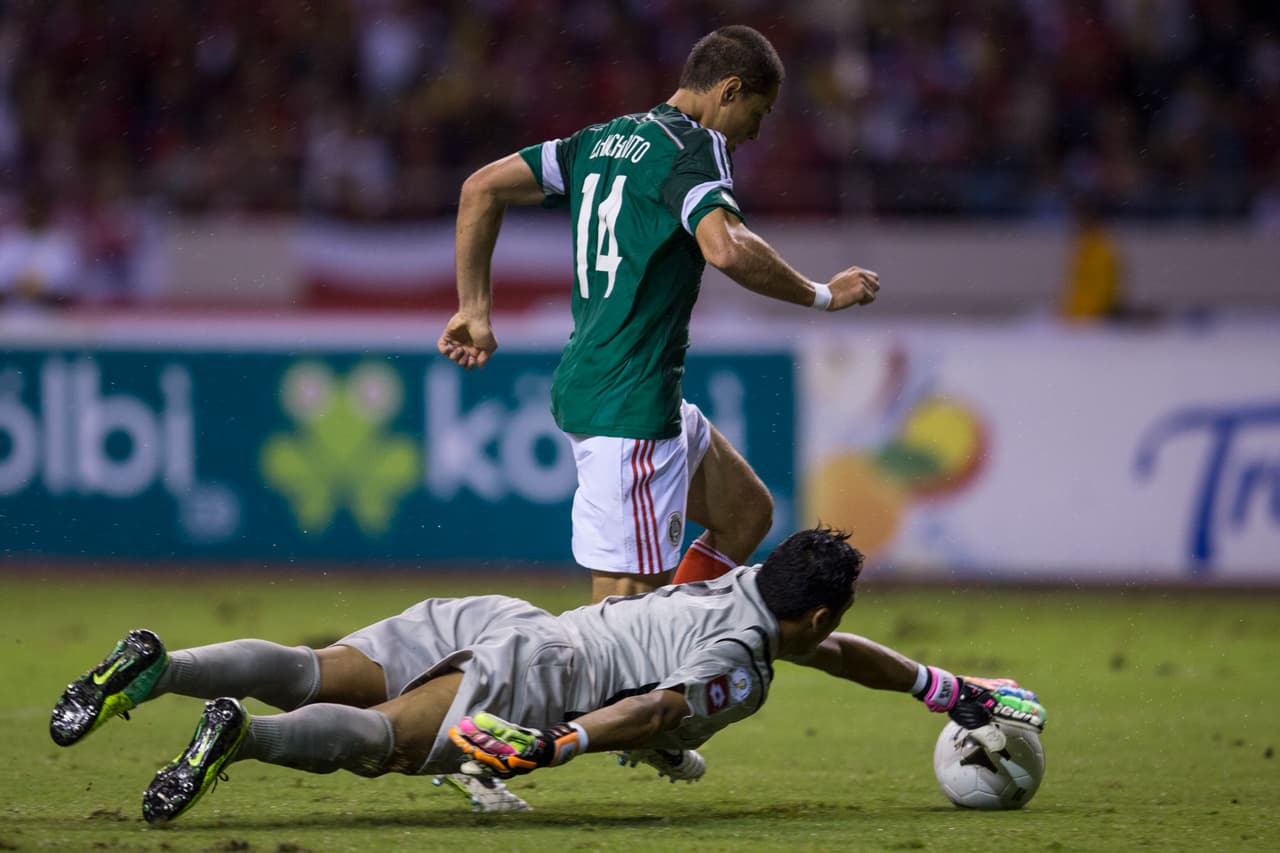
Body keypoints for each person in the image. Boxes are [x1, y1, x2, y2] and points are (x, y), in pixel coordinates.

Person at [48, 527, 1045, 824]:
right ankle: (243, 737)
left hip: (502, 616)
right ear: (818, 608)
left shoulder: (735, 579)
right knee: (387, 745)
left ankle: (158, 667)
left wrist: (943, 688)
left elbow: (828, 650)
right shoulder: (741, 664)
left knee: (317, 668)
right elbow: (657, 704)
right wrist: (558, 744)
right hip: (540, 675)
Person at [437, 26, 882, 603]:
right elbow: (724, 247)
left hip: (626, 388)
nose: (755, 130)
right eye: (759, 110)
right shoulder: (694, 149)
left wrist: (474, 309)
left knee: (746, 513)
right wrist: (822, 294)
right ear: (729, 90)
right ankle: (614, 684)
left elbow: (480, 189)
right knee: (621, 621)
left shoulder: (601, 141)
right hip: (629, 409)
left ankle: (677, 653)